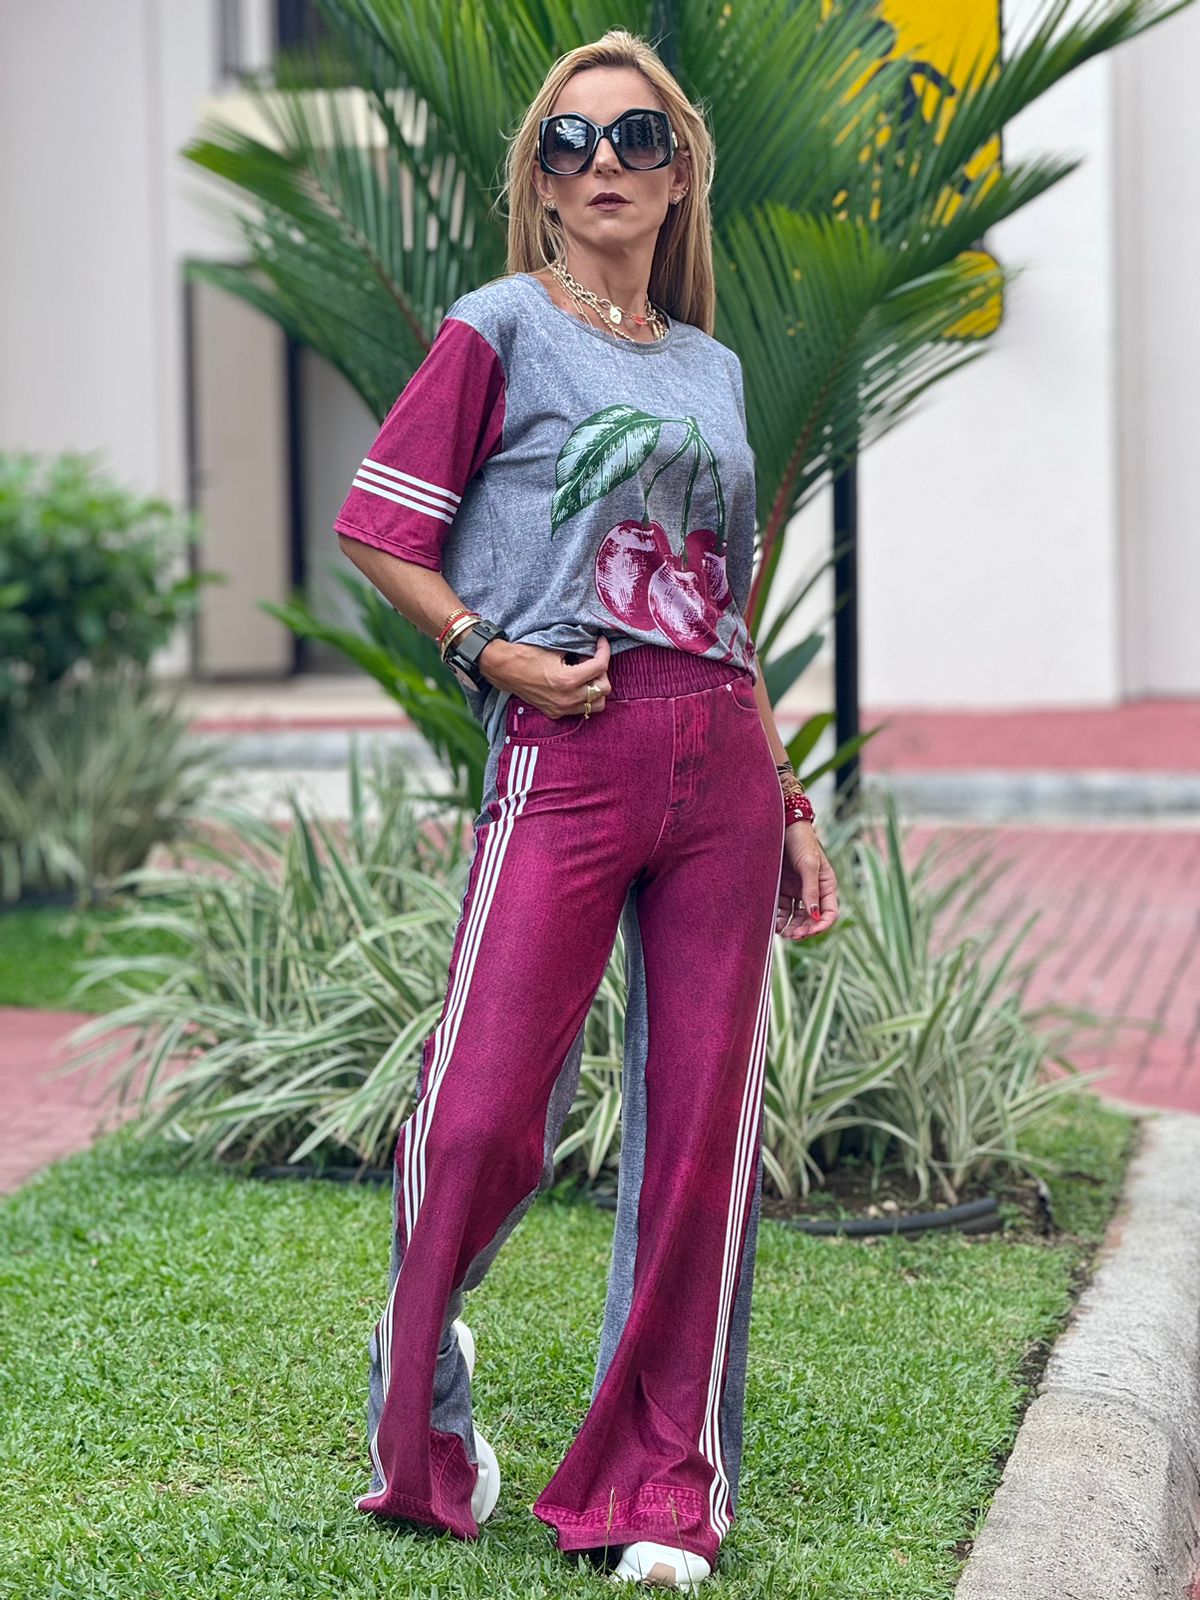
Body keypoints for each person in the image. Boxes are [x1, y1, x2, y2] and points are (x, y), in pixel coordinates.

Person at [333, 26, 840, 1592]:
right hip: (565, 747)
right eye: (569, 142)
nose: (602, 162)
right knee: (483, 1109)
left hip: (720, 760)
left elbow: (723, 602)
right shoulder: (495, 328)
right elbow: (379, 526)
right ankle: (425, 1419)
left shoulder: (712, 369)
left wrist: (791, 798)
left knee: (698, 1133)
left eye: (633, 138)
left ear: (679, 174)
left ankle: (662, 1488)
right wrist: (489, 653)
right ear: (540, 185)